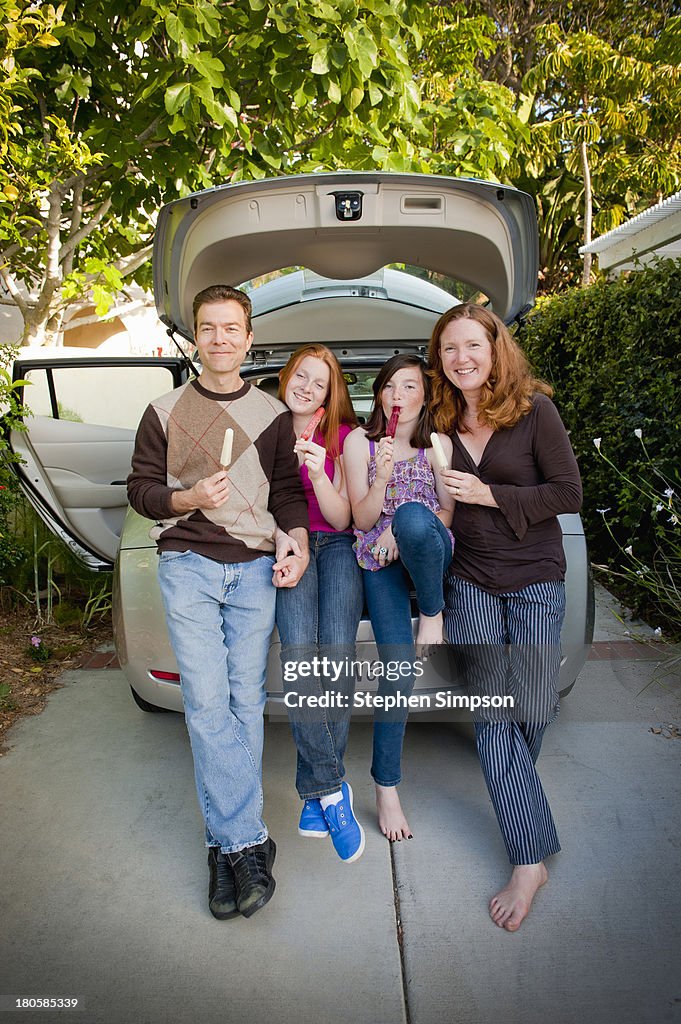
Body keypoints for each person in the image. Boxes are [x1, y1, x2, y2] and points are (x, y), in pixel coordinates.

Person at [127, 284, 309, 921]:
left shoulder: (273, 415)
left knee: (243, 704)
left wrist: (300, 542)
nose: (221, 338)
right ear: (195, 337)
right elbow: (141, 491)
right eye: (209, 328)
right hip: (188, 565)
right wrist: (187, 498)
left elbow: (288, 493)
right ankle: (248, 842)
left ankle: (221, 847)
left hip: (256, 570)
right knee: (207, 703)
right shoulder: (163, 410)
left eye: (233, 328)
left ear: (249, 337)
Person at [427, 302, 583, 932]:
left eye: (472, 346)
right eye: (448, 350)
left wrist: (490, 493)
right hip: (472, 582)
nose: (461, 359)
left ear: (495, 349)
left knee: (532, 711)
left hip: (536, 578)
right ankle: (530, 860)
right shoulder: (438, 421)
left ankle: (517, 804)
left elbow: (569, 493)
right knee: (494, 717)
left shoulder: (534, 411)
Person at [343, 354, 454, 842]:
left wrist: (406, 528)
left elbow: (449, 515)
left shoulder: (438, 446)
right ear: (379, 395)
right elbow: (362, 523)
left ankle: (433, 612)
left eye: (410, 387)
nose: (398, 396)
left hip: (428, 551)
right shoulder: (359, 444)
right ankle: (386, 787)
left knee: (412, 517)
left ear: (425, 396)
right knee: (397, 665)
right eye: (390, 387)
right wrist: (383, 478)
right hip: (377, 559)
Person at [275, 344, 365, 863]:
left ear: (332, 395)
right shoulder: (265, 429)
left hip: (336, 548)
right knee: (299, 657)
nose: (307, 387)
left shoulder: (346, 438)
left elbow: (342, 520)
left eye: (320, 382)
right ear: (287, 377)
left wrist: (317, 474)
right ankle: (333, 789)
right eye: (301, 376)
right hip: (289, 544)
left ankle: (315, 790)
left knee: (336, 654)